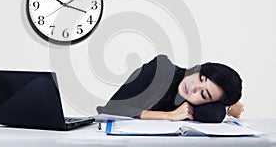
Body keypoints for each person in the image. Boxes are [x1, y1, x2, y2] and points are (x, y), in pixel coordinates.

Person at [100, 54, 244, 123]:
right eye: (201, 78)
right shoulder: (160, 69)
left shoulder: (194, 106)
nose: (194, 87)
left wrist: (226, 107)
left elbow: (213, 114)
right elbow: (111, 109)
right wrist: (169, 115)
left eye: (203, 94)